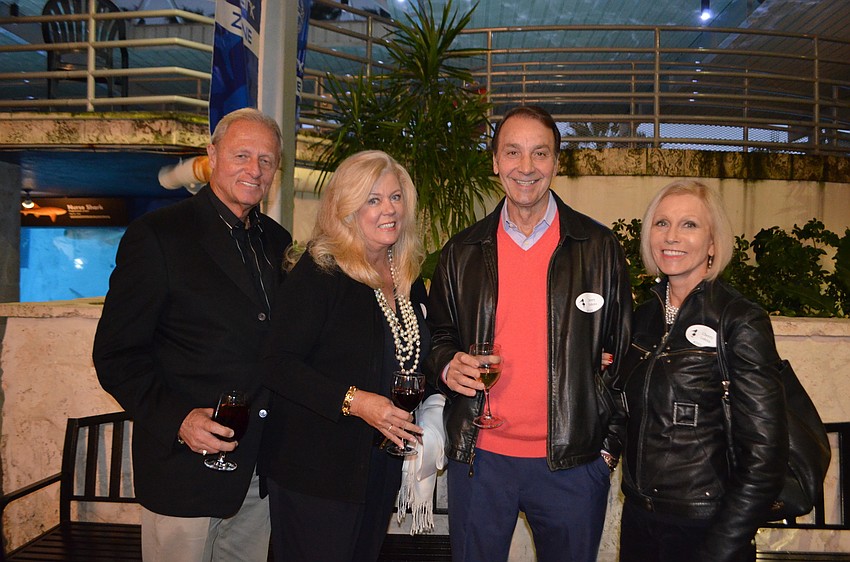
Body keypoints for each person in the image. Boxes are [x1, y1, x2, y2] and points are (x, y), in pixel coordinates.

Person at [426, 105, 633, 562]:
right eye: (513, 153)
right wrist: (446, 363)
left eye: (540, 154)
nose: (526, 167)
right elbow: (436, 335)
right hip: (481, 460)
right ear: (494, 161)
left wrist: (607, 452)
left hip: (574, 464)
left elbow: (625, 354)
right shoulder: (461, 252)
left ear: (557, 163)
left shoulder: (598, 248)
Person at [93, 108, 292, 562]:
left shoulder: (278, 242)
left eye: (266, 160)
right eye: (242, 154)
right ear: (212, 154)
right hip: (184, 471)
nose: (254, 169)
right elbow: (116, 355)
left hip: (257, 471)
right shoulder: (159, 235)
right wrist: (179, 420)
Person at [260, 150, 431, 561]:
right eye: (372, 200)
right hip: (317, 469)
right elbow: (276, 363)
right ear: (346, 209)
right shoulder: (321, 271)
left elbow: (417, 353)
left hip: (378, 465)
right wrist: (355, 401)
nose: (388, 210)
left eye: (395, 197)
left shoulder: (407, 274)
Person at [617, 179, 788, 562]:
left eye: (689, 224)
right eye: (661, 223)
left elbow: (765, 458)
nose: (671, 236)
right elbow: (622, 406)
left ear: (713, 243)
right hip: (640, 521)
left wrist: (722, 546)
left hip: (706, 526)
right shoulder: (641, 318)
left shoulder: (739, 320)